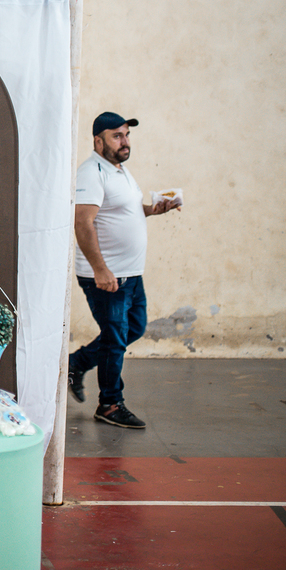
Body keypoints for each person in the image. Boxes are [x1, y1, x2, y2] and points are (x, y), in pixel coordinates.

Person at [68, 112, 179, 429]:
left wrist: (152, 210)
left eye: (127, 134)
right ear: (98, 141)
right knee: (115, 339)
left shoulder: (120, 171)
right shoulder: (91, 173)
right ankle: (110, 404)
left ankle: (77, 363)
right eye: (117, 136)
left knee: (134, 328)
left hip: (131, 273)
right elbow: (82, 222)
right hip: (107, 276)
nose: (125, 141)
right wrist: (100, 270)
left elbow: (124, 210)